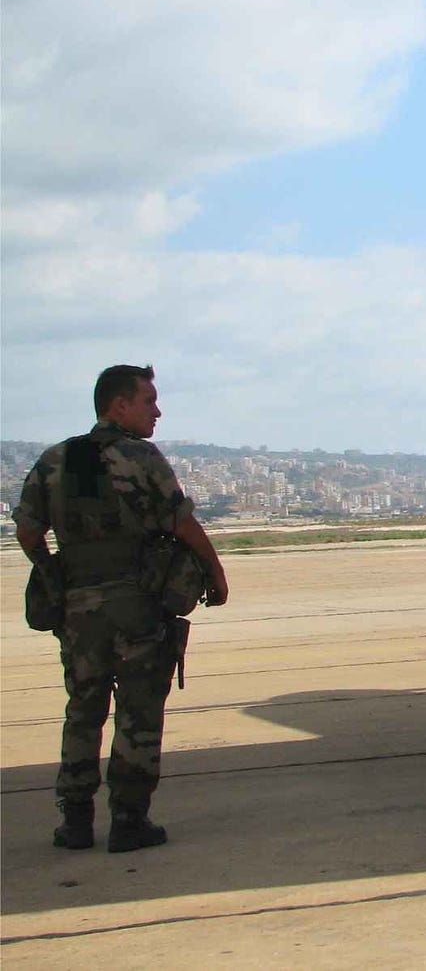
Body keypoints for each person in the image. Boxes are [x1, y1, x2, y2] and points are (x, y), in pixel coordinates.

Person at [12, 365, 228, 853]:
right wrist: (215, 574)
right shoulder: (141, 457)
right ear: (118, 406)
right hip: (136, 605)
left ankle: (74, 821)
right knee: (139, 711)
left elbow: (28, 532)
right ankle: (129, 820)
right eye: (148, 400)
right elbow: (182, 524)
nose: (157, 410)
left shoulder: (55, 460)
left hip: (78, 609)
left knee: (83, 708)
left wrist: (55, 570)